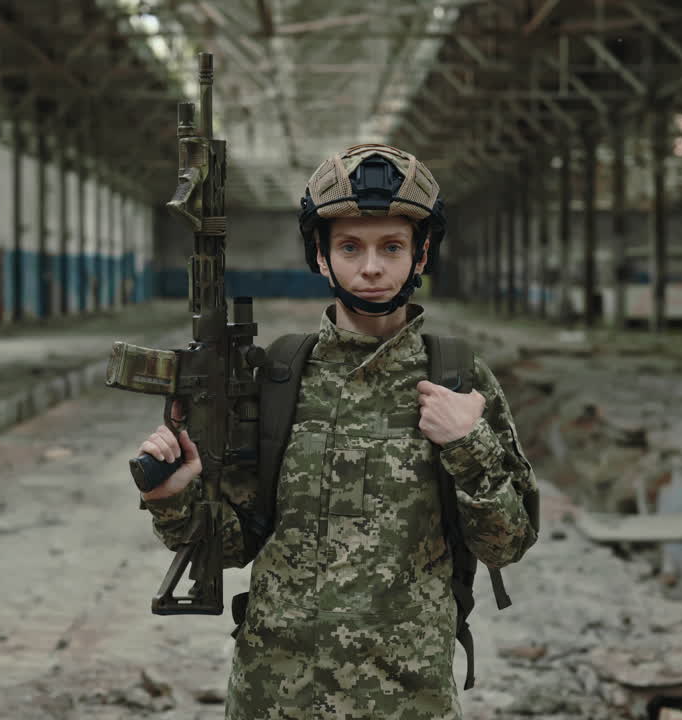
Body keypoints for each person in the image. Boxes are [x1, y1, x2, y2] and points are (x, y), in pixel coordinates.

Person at [135, 143, 539, 719]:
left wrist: (467, 445)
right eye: (349, 247)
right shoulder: (277, 376)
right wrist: (170, 499)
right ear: (321, 258)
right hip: (275, 696)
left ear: (421, 255)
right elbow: (231, 546)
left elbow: (507, 543)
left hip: (406, 698)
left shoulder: (459, 378)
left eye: (391, 247)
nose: (370, 267)